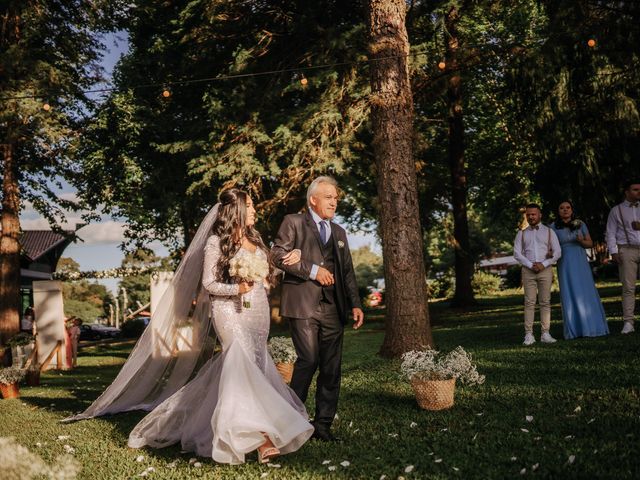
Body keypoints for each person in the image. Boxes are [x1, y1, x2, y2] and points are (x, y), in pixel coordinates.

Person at [67, 189, 313, 465]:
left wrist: (287, 261)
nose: (255, 210)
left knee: (252, 366)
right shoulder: (215, 243)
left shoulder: (255, 239)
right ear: (237, 211)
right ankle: (260, 437)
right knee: (240, 365)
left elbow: (269, 273)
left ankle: (217, 425)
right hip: (229, 311)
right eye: (251, 205)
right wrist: (236, 288)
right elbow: (208, 285)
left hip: (257, 309)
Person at [271, 176, 364, 442]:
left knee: (332, 368)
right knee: (309, 360)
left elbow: (347, 273)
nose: (334, 202)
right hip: (303, 305)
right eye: (328, 197)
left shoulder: (339, 233)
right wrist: (313, 270)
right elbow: (277, 255)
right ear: (313, 199)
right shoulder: (294, 222)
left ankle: (322, 425)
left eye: (336, 197)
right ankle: (291, 419)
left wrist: (356, 304)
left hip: (333, 307)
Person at [551, 201, 609, 339]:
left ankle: (592, 326)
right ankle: (574, 330)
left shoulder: (580, 224)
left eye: (568, 208)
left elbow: (590, 243)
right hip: (564, 262)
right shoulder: (553, 227)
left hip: (580, 260)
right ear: (558, 211)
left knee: (585, 290)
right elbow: (550, 247)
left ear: (572, 210)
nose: (565, 210)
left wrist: (581, 241)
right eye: (562, 208)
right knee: (569, 290)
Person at [513, 203, 561, 346]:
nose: (531, 216)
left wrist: (543, 264)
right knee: (529, 302)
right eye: (528, 214)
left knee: (545, 301)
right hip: (528, 271)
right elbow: (517, 253)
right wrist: (530, 264)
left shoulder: (549, 232)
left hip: (545, 269)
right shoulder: (521, 233)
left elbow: (558, 252)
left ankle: (545, 333)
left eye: (534, 214)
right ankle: (529, 335)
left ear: (540, 215)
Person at [606, 179, 640, 334]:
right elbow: (610, 232)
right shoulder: (616, 210)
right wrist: (613, 252)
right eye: (635, 189)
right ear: (626, 192)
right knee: (628, 287)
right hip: (626, 250)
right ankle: (628, 322)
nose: (638, 192)